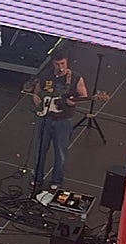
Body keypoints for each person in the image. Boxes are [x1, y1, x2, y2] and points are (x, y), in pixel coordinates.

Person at [31, 48, 87, 190]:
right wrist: (39, 104)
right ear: (53, 63)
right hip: (45, 118)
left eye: (62, 63)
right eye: (57, 64)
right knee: (40, 150)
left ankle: (56, 180)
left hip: (63, 120)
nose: (60, 67)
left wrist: (74, 102)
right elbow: (36, 94)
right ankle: (36, 178)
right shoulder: (45, 75)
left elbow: (84, 96)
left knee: (60, 153)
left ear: (67, 61)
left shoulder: (75, 78)